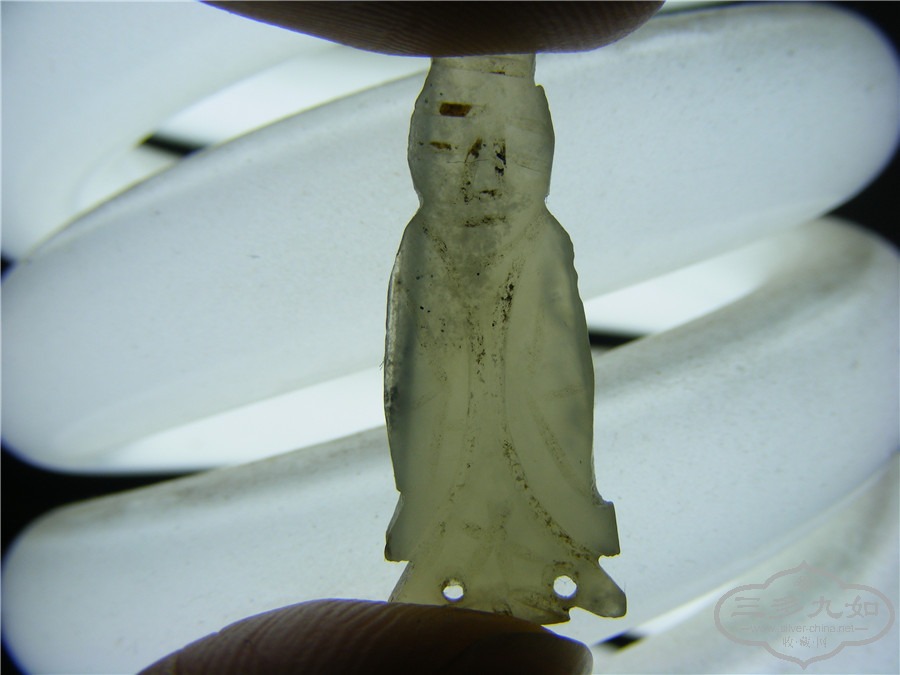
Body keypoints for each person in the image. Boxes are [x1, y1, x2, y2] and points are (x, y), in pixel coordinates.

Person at [141, 3, 661, 673]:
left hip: (530, 416)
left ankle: (560, 562)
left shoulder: (542, 241)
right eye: (454, 147)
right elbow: (410, 367)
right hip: (451, 421)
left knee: (541, 461)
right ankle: (450, 560)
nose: (484, 174)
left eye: (512, 152)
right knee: (446, 466)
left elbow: (563, 366)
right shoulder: (425, 240)